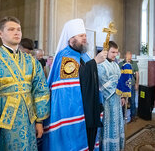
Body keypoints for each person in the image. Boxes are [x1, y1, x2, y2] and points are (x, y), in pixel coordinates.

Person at [0, 16, 50, 150]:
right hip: (2, 124)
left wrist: (39, 121)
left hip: (28, 122)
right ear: (0, 33)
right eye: (11, 29)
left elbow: (40, 91)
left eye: (19, 29)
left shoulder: (31, 62)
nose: (17, 32)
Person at [42, 19, 107, 151]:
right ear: (71, 39)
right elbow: (73, 83)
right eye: (81, 36)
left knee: (89, 140)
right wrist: (95, 62)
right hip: (76, 111)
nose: (84, 38)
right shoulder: (66, 56)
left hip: (90, 109)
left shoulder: (85, 56)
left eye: (85, 35)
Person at [98, 41, 125, 151]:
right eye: (112, 52)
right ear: (106, 51)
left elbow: (119, 81)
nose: (115, 55)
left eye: (116, 52)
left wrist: (122, 96)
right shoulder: (101, 65)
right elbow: (102, 84)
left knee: (117, 123)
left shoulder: (116, 65)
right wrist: (116, 86)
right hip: (107, 101)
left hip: (117, 99)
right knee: (108, 124)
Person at [119, 51, 139, 122]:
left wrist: (136, 83)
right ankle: (122, 116)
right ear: (125, 56)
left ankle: (133, 116)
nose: (129, 57)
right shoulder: (121, 64)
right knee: (123, 101)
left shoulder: (134, 64)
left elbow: (137, 74)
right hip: (124, 86)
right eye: (128, 56)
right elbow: (119, 75)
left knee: (132, 101)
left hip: (132, 85)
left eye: (130, 56)